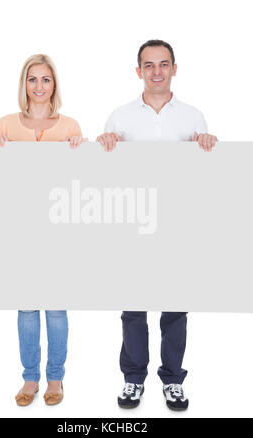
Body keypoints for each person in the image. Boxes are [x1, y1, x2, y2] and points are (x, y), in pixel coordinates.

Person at [96, 40, 218, 411]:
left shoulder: (193, 116)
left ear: (174, 69)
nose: (157, 72)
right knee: (133, 308)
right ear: (139, 72)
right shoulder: (119, 117)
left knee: (175, 308)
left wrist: (208, 145)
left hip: (178, 228)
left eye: (163, 64)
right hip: (133, 226)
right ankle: (133, 379)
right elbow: (103, 176)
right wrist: (104, 144)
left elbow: (205, 174)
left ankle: (172, 380)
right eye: (149, 65)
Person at [0, 54, 86, 406]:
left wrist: (80, 151)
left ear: (54, 84)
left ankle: (55, 378)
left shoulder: (70, 126)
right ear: (24, 84)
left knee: (56, 308)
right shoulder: (6, 125)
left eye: (45, 79)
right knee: (27, 308)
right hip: (20, 233)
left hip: (59, 233)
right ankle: (30, 378)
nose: (39, 86)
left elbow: (83, 185)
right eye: (32, 79)